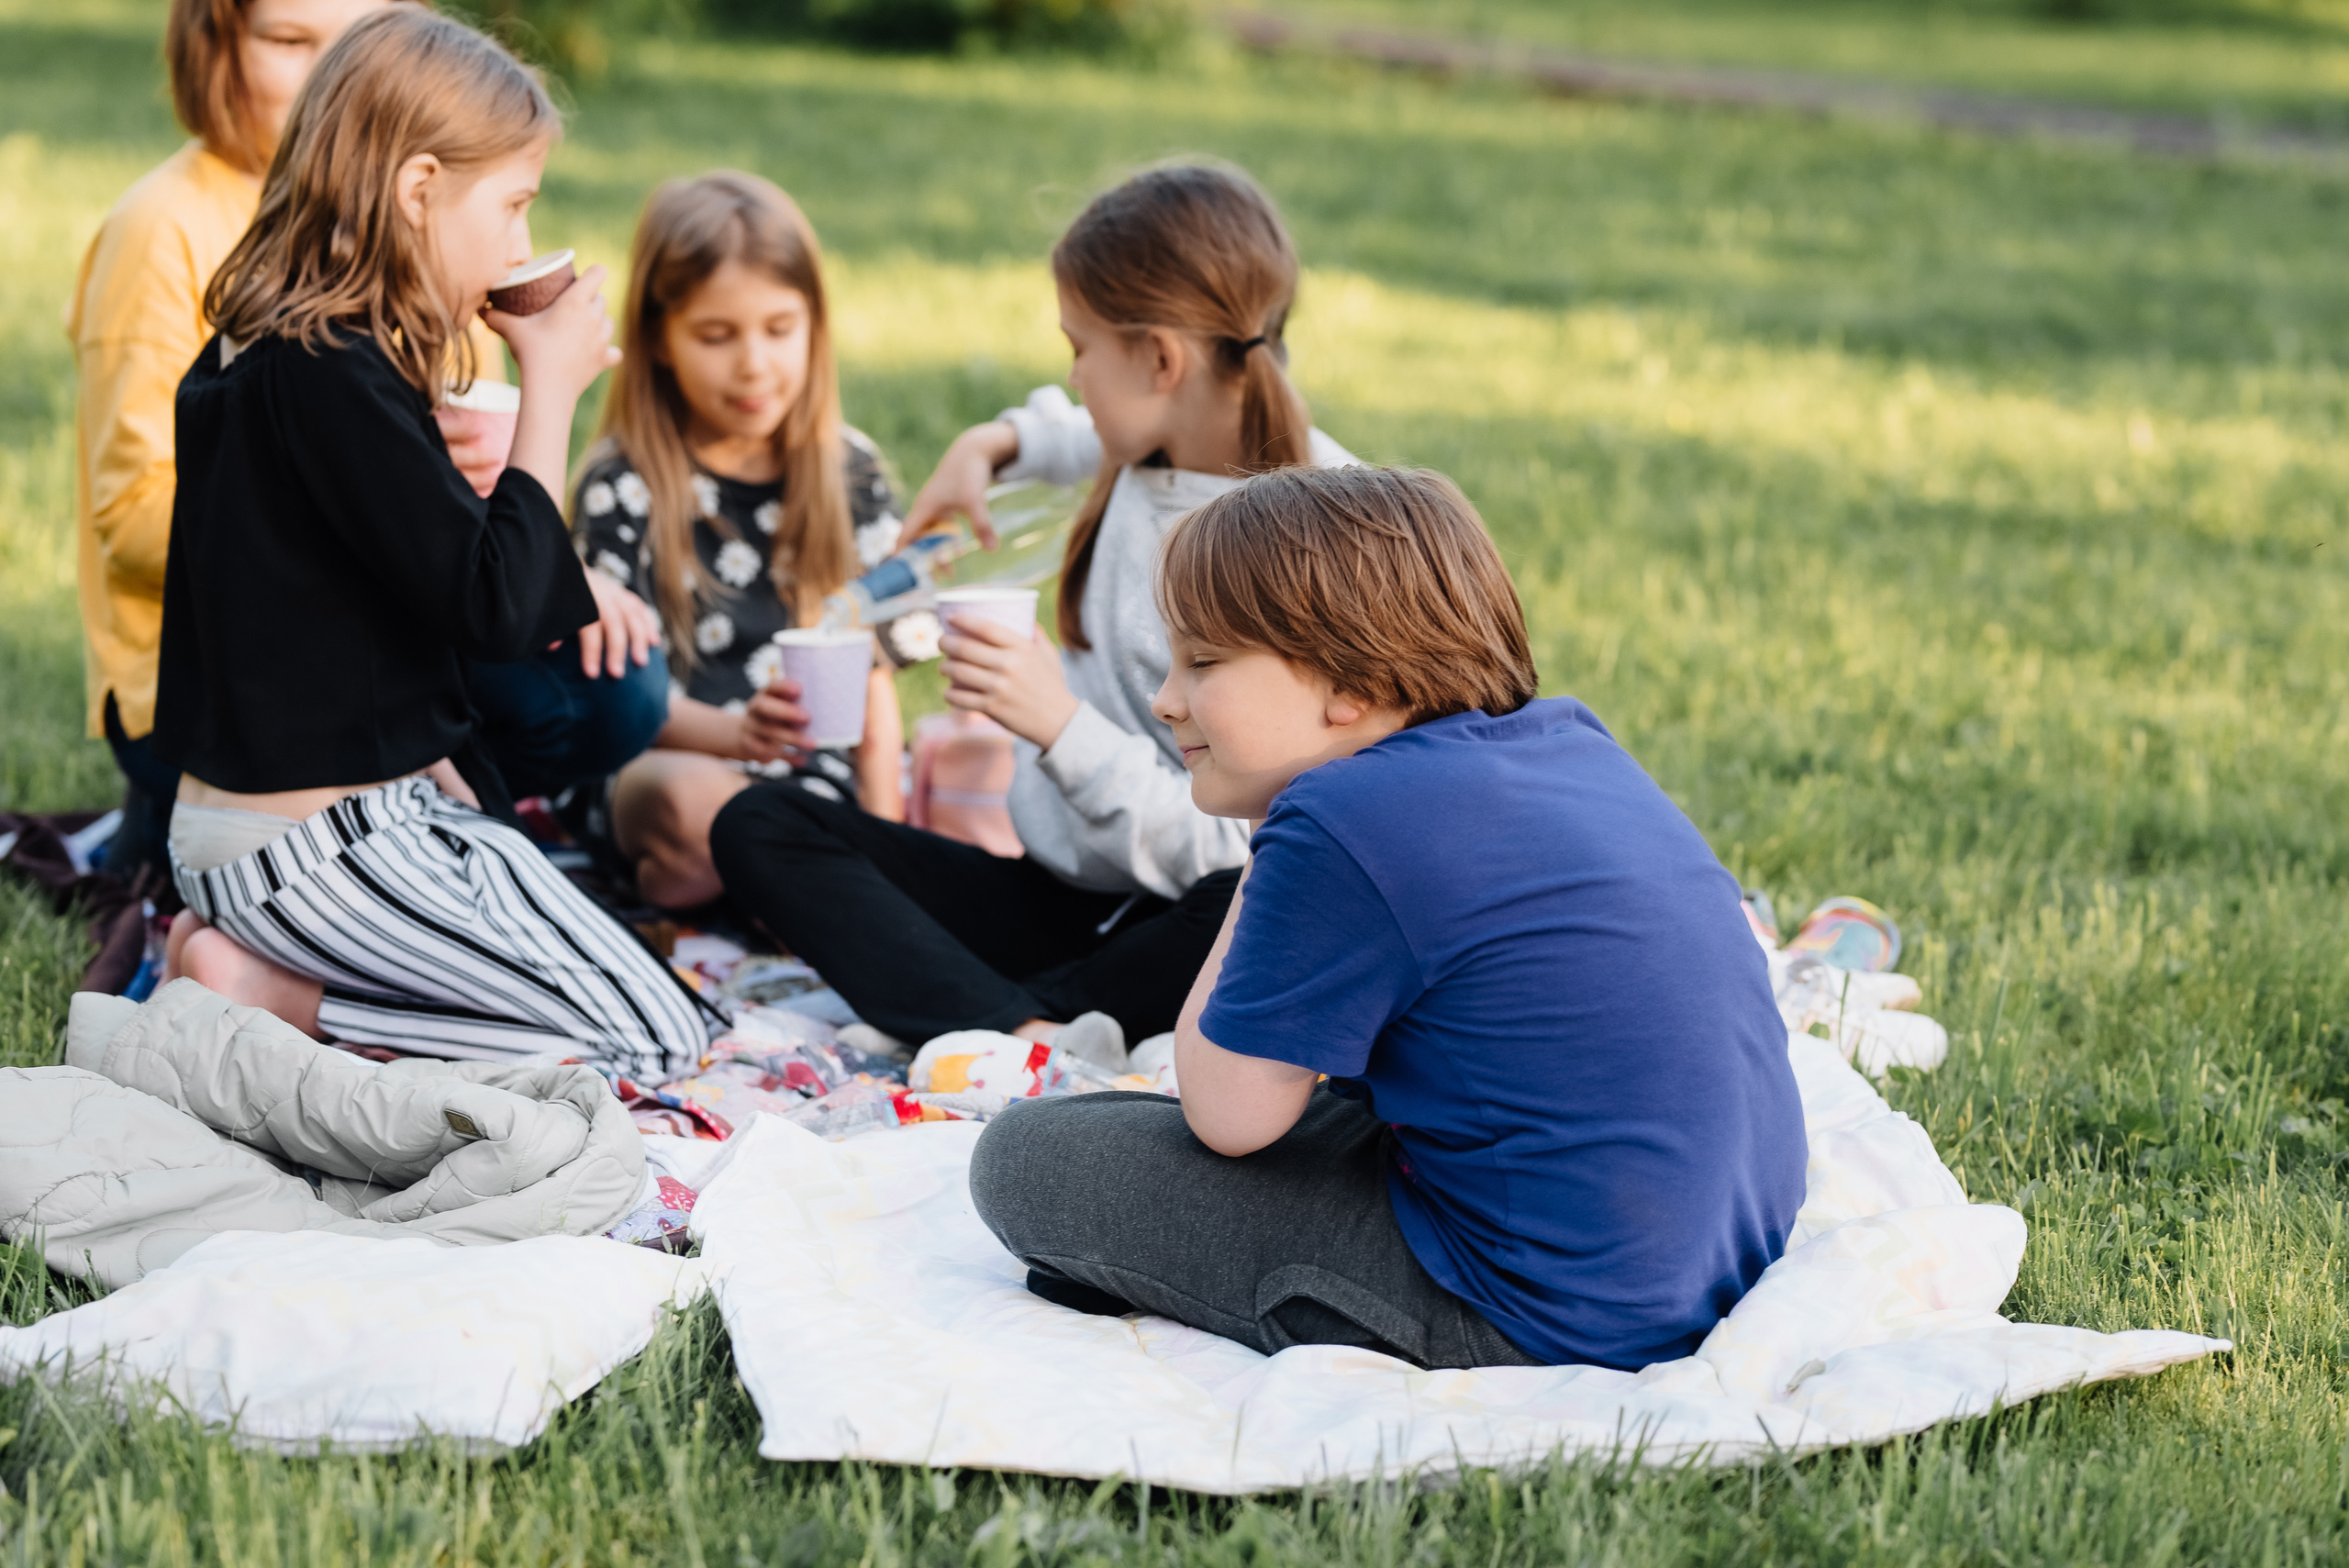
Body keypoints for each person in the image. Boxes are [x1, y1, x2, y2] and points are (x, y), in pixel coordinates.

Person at [969, 466, 1809, 1372]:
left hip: (1533, 1311)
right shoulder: (1568, 741)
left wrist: (1269, 840)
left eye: (1203, 661)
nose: (1168, 698)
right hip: (1712, 1255)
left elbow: (1228, 1115)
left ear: (1350, 686)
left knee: (1029, 1158)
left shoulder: (1340, 816)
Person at [150, 8, 706, 1075]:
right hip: (301, 851)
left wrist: (433, 757)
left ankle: (286, 976)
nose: (516, 242)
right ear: (417, 190)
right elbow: (497, 608)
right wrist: (549, 384)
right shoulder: (331, 372)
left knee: (660, 999)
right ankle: (280, 996)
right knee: (646, 1043)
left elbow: (331, 617)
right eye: (512, 204)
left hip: (333, 813)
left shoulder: (274, 349)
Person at [711, 162, 1352, 1049]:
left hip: (1195, 912)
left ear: (1162, 359)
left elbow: (1252, 857)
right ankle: (1027, 1021)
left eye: (1080, 347)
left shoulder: (1305, 532)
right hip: (1058, 893)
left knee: (1239, 913)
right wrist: (997, 439)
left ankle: (995, 1019)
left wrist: (1058, 725)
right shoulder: (1150, 439)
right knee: (759, 822)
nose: (1074, 376)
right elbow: (1077, 424)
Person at [67, 0, 664, 884]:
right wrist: (411, 495)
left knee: (607, 674)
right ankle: (213, 837)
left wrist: (428, 494)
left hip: (331, 667)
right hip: (220, 700)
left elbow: (399, 520)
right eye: (288, 41)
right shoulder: (191, 248)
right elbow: (148, 519)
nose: (326, 71)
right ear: (215, 42)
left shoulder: (367, 261)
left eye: (349, 41)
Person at [572, 172, 907, 910]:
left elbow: (874, 683)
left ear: (814, 325)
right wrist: (733, 735)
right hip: (666, 757)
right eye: (717, 336)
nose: (754, 362)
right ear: (659, 338)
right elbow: (615, 696)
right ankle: (781, 890)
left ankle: (785, 891)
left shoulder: (847, 473)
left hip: (805, 782)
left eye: (779, 329)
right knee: (701, 811)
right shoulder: (623, 483)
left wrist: (894, 852)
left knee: (981, 765)